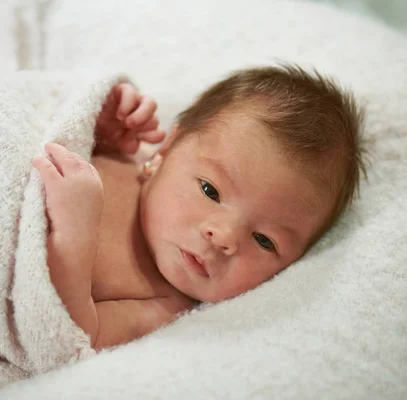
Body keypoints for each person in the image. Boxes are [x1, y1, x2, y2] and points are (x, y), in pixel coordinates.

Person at [32, 64, 365, 350]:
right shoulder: (125, 153)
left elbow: (72, 339)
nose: (224, 237)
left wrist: (72, 238)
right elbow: (54, 124)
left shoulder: (163, 305)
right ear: (166, 148)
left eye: (264, 240)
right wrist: (102, 122)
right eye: (210, 190)